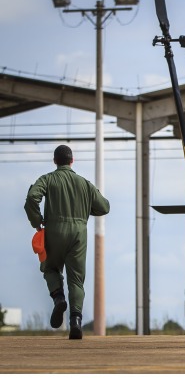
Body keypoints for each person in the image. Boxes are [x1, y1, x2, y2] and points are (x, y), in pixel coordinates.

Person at [24, 145, 110, 339]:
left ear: (55, 161)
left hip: (54, 231)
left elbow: (32, 197)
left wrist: (37, 222)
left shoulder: (48, 179)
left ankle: (58, 298)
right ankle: (76, 321)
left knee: (50, 268)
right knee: (76, 280)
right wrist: (86, 208)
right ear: (72, 161)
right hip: (79, 234)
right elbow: (104, 206)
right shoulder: (84, 184)